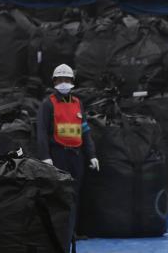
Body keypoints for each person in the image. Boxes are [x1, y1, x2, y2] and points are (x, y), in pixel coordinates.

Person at [36, 64, 100, 240]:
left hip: (76, 156)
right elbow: (41, 131)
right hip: (58, 155)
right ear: (54, 81)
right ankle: (57, 234)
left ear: (72, 81)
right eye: (60, 79)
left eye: (67, 79)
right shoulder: (48, 104)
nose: (64, 83)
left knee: (74, 194)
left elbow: (85, 131)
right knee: (58, 195)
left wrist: (92, 154)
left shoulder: (78, 103)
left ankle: (71, 232)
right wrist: (45, 157)